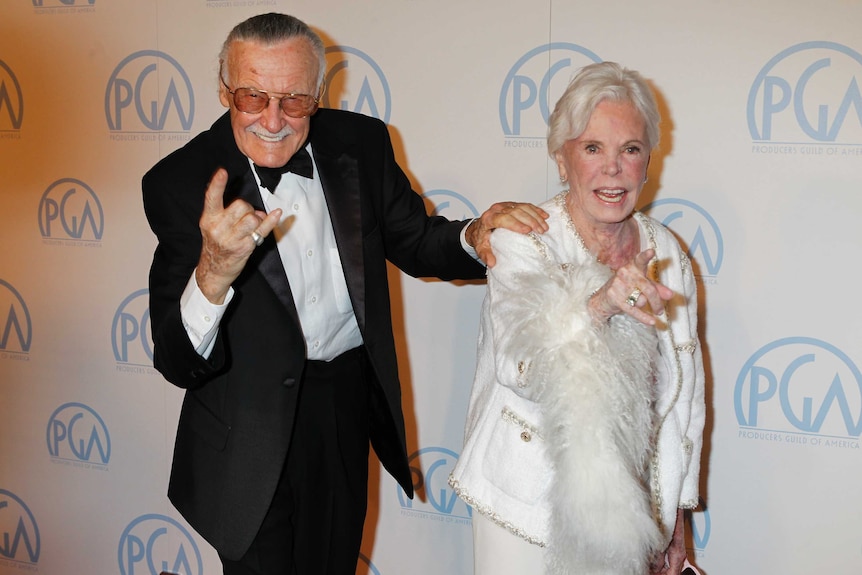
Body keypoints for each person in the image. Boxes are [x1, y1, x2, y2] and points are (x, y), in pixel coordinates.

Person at [142, 12, 547, 575]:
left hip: (343, 406)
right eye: (251, 97)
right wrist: (212, 274)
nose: (274, 120)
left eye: (296, 100)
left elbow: (415, 239)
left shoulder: (361, 143)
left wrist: (474, 235)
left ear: (320, 94)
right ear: (223, 90)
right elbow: (176, 360)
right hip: (246, 428)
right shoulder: (178, 183)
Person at [448, 61, 706, 575]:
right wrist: (600, 306)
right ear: (562, 161)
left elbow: (685, 396)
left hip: (628, 513)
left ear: (647, 163)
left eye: (629, 150)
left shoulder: (668, 251)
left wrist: (676, 515)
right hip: (523, 503)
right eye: (592, 148)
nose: (612, 169)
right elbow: (520, 368)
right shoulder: (523, 240)